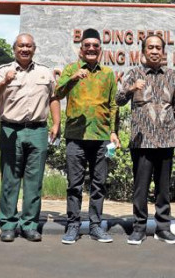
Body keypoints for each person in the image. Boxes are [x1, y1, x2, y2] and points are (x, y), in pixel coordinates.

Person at [0, 33, 60, 243]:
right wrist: (5, 82)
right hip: (11, 130)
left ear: (34, 49)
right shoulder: (4, 71)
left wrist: (56, 123)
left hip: (38, 130)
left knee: (34, 181)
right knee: (10, 179)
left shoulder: (45, 72)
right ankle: (8, 224)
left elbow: (53, 97)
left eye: (29, 46)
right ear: (15, 49)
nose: (25, 49)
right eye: (21, 46)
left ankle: (29, 224)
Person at [116, 34, 175, 246]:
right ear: (143, 51)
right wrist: (130, 88)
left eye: (158, 48)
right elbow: (118, 101)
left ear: (163, 52)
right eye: (150, 47)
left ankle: (163, 228)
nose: (154, 51)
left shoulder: (173, 76)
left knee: (163, 188)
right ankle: (138, 228)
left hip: (166, 139)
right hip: (142, 141)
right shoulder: (134, 74)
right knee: (141, 187)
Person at [54, 28, 120, 245]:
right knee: (74, 183)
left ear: (100, 49)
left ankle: (95, 226)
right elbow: (58, 93)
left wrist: (113, 132)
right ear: (81, 50)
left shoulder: (108, 73)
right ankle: (73, 225)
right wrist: (73, 78)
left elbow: (112, 105)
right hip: (75, 136)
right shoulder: (71, 69)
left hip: (101, 137)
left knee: (98, 184)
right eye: (87, 46)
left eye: (95, 46)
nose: (91, 49)